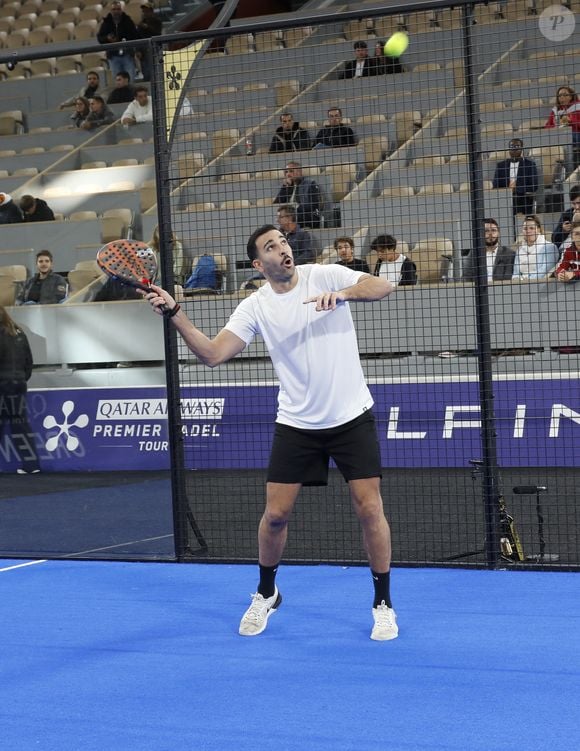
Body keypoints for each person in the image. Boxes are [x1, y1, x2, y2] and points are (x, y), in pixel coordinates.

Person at [144, 224, 398, 641]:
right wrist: (176, 314)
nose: (282, 249)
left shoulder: (325, 275)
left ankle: (383, 603)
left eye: (282, 241)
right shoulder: (256, 306)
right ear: (257, 264)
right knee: (276, 516)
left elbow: (383, 285)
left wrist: (346, 294)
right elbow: (212, 354)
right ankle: (266, 592)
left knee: (370, 509)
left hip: (351, 416)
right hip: (296, 423)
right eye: (270, 246)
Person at [0, 306, 41, 474]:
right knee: (20, 425)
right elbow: (28, 361)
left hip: (2, 384)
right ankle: (32, 465)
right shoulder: (18, 332)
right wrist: (21, 378)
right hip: (18, 383)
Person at [492, 139, 539, 216]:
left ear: (522, 149)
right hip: (504, 198)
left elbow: (534, 186)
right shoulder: (501, 166)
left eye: (517, 146)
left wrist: (515, 189)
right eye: (512, 147)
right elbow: (495, 185)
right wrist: (508, 191)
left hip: (523, 197)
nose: (514, 149)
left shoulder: (530, 165)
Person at [97, 0, 140, 82]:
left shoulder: (128, 20)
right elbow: (100, 38)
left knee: (130, 79)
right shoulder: (106, 22)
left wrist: (134, 48)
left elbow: (135, 36)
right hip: (113, 56)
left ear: (121, 10)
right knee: (118, 80)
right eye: (114, 9)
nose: (116, 11)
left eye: (118, 9)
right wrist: (107, 38)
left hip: (127, 54)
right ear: (111, 10)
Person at [273, 161, 323, 229]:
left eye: (291, 171)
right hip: (290, 215)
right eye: (286, 172)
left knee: (287, 219)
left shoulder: (310, 184)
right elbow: (276, 204)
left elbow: (313, 205)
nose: (288, 174)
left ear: (299, 172)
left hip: (308, 216)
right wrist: (285, 188)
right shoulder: (288, 186)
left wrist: (293, 210)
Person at [512, 215, 559, 280]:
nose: (528, 231)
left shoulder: (550, 247)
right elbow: (515, 274)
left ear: (538, 230)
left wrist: (526, 280)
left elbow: (544, 270)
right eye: (525, 228)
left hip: (540, 284)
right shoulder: (519, 250)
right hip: (520, 285)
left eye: (531, 228)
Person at [136, 1, 162, 81]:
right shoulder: (141, 23)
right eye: (143, 11)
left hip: (154, 47)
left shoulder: (157, 21)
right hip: (143, 49)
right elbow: (138, 37)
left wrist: (147, 27)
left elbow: (157, 33)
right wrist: (138, 50)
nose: (145, 13)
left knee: (153, 68)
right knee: (146, 70)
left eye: (146, 11)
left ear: (151, 11)